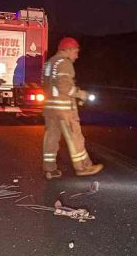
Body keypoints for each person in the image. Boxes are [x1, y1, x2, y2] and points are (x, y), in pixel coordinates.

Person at [41, 37, 103, 179]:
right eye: (75, 51)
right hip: (63, 110)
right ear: (68, 50)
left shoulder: (49, 63)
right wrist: (81, 94)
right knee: (75, 137)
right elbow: (64, 86)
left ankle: (49, 169)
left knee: (51, 138)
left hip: (50, 108)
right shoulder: (64, 63)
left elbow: (46, 85)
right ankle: (83, 167)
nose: (77, 55)